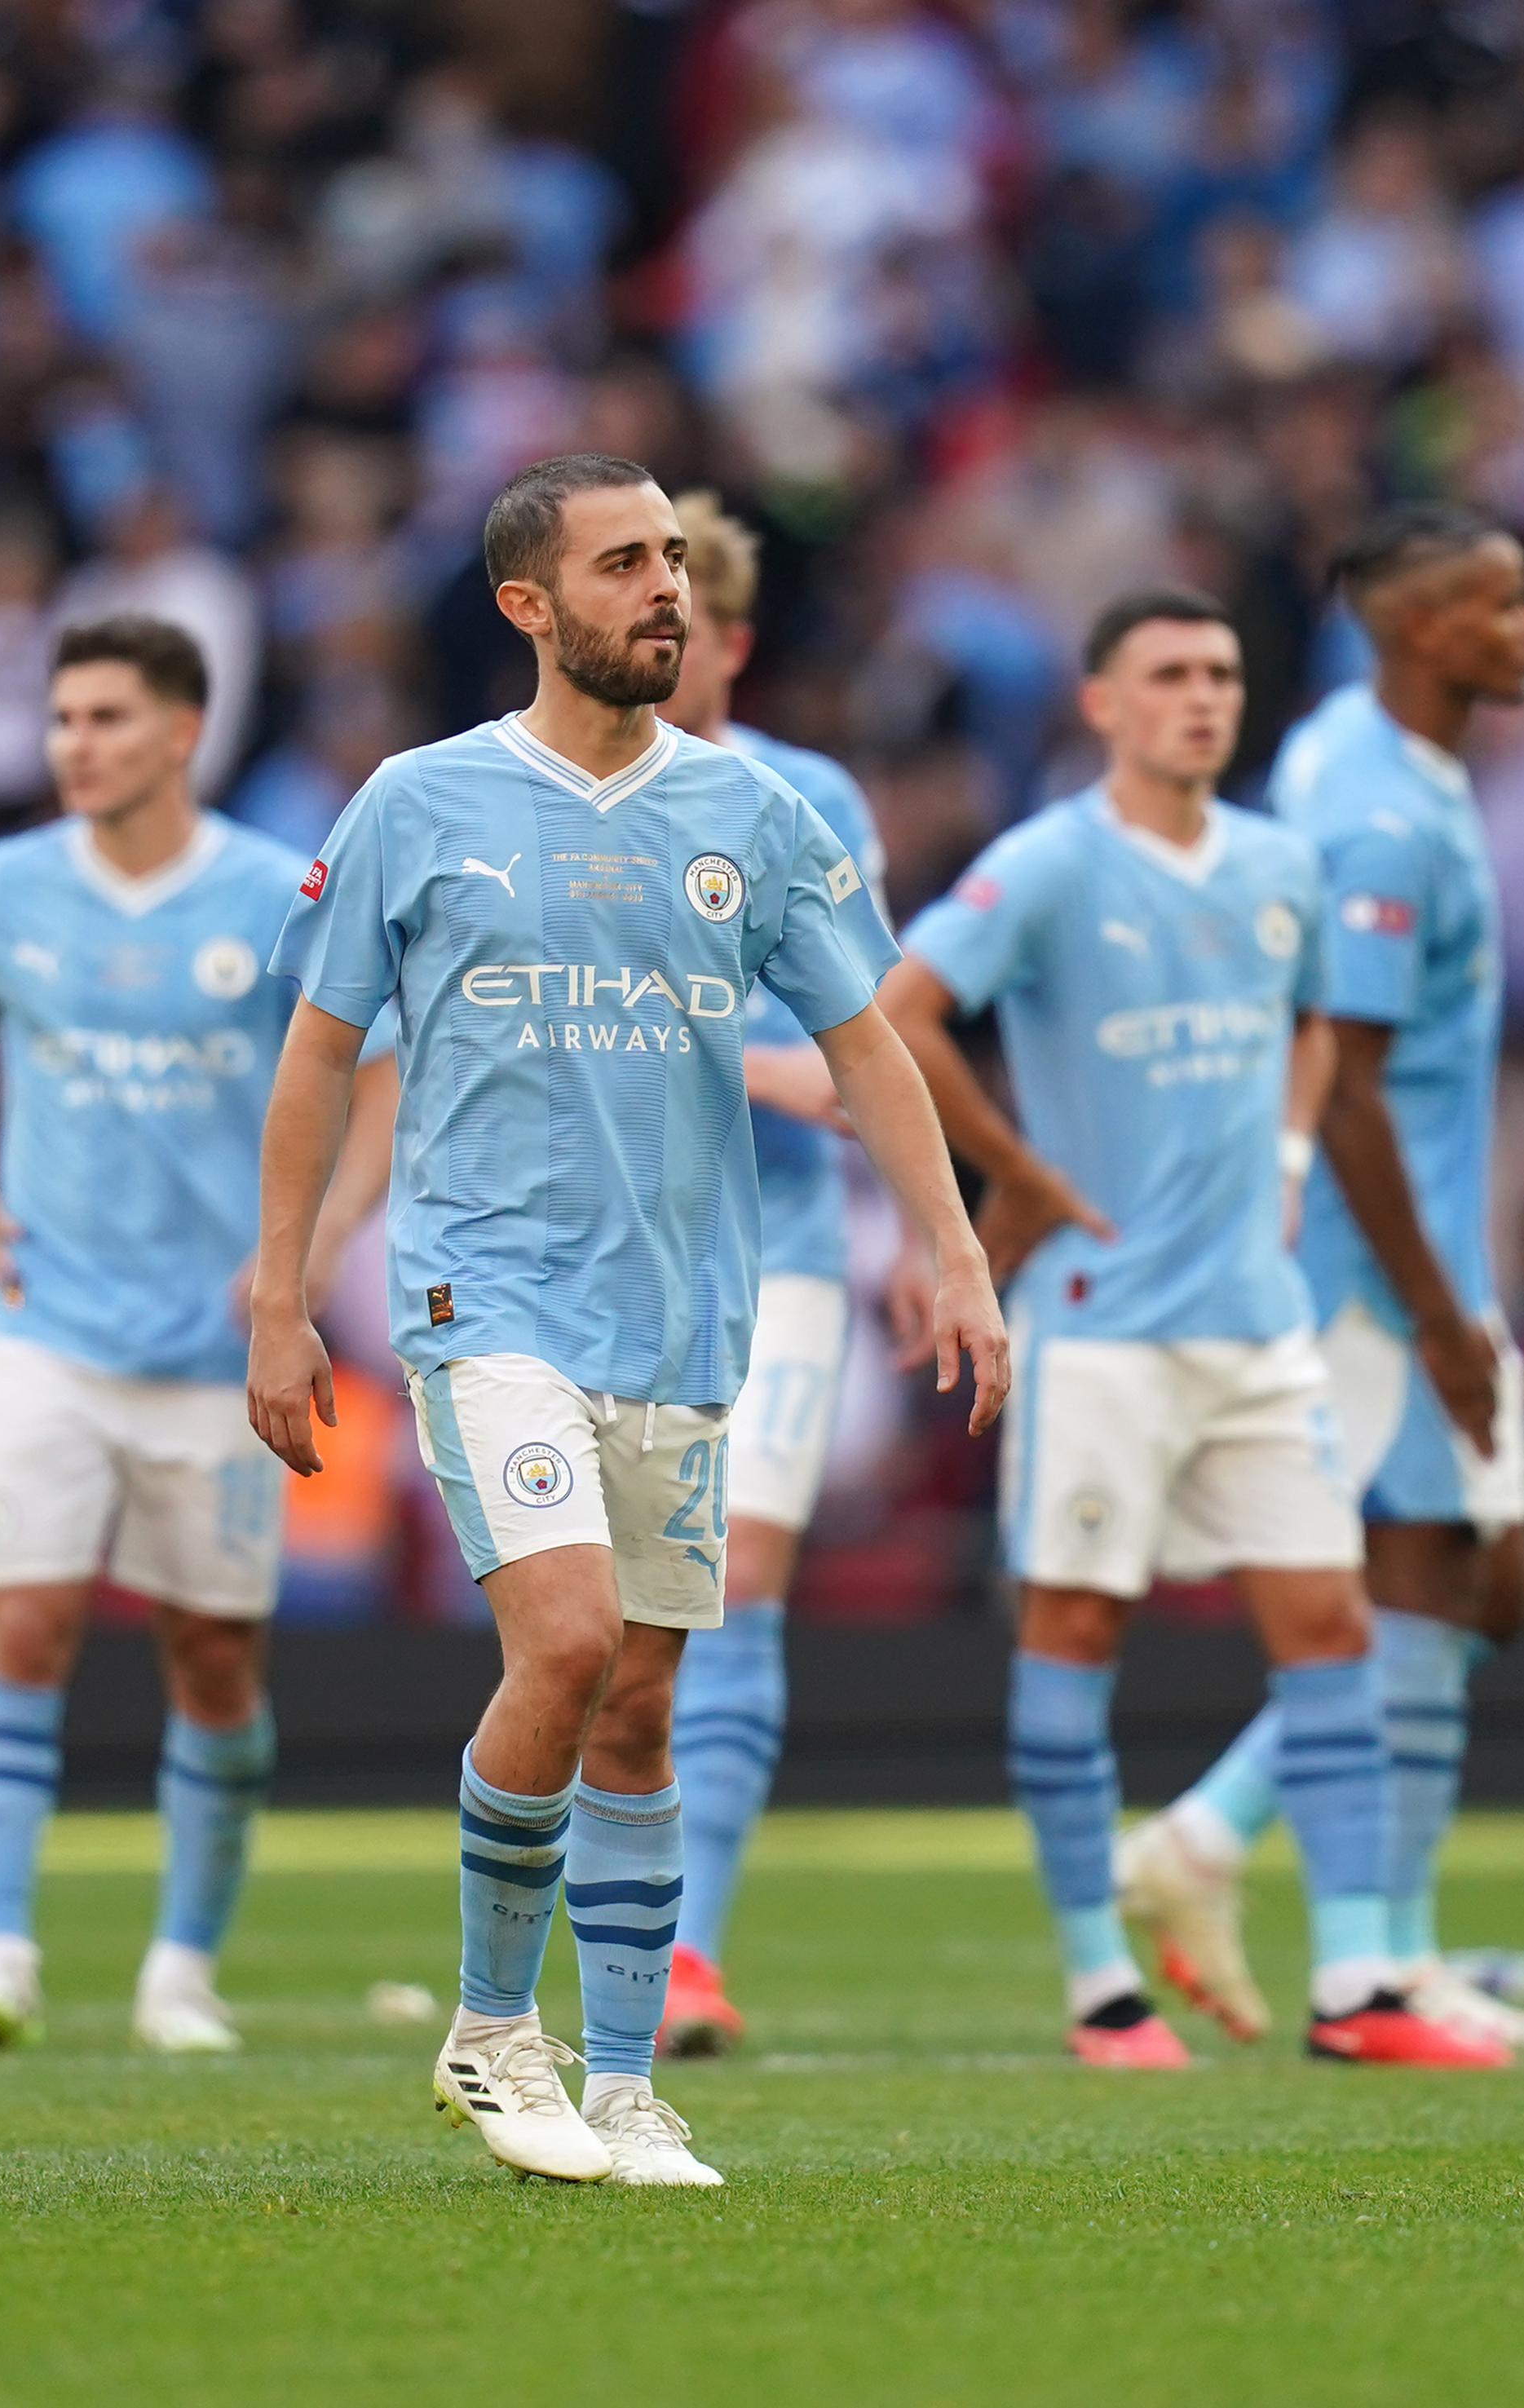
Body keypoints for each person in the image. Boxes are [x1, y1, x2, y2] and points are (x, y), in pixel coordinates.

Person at [250, 454, 1009, 2186]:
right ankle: (484, 2027)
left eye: (671, 558)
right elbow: (317, 1055)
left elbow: (867, 1046)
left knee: (642, 1705)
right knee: (572, 1638)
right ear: (527, 604)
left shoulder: (752, 817)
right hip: (479, 1292)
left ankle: (623, 2081)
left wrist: (952, 1252)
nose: (663, 588)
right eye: (621, 564)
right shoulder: (415, 802)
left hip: (678, 1314)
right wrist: (277, 1289)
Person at [874, 585, 1505, 2071]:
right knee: (1077, 1627)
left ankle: (1356, 1986)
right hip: (1099, 1327)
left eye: (1220, 672)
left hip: (1253, 1322)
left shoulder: (1282, 867)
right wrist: (1014, 1172)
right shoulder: (1043, 864)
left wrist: (1289, 1155)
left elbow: (1312, 1024)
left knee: (1328, 1628)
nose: (1201, 697)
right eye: (1166, 674)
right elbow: (898, 1011)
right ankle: (1099, 1982)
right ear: (1101, 703)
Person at [0, 614, 389, 2054]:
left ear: (180, 732)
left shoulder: (274, 893)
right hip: (46, 1326)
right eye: (60, 719)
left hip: (216, 1352)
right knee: (19, 1623)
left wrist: (313, 1250)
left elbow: (380, 1066)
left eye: (102, 718)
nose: (71, 745)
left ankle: (180, 1968)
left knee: (212, 1659)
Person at [1106, 508, 1524, 2056]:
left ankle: (1360, 1920)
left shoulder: (1356, 759)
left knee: (1458, 1584)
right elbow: (1350, 1076)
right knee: (1437, 1579)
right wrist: (1439, 1313)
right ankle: (1347, 1943)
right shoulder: (1377, 812)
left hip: (1421, 1244)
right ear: (1417, 629)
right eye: (1500, 605)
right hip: (1383, 1263)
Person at [645, 493, 888, 2057]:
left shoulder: (802, 800)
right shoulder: (527, 796)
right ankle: (588, 1931)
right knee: (597, 1622)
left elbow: (860, 1045)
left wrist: (700, 1041)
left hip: (779, 1251)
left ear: (729, 642)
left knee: (738, 1584)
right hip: (591, 1253)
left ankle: (687, 1952)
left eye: (683, 634)